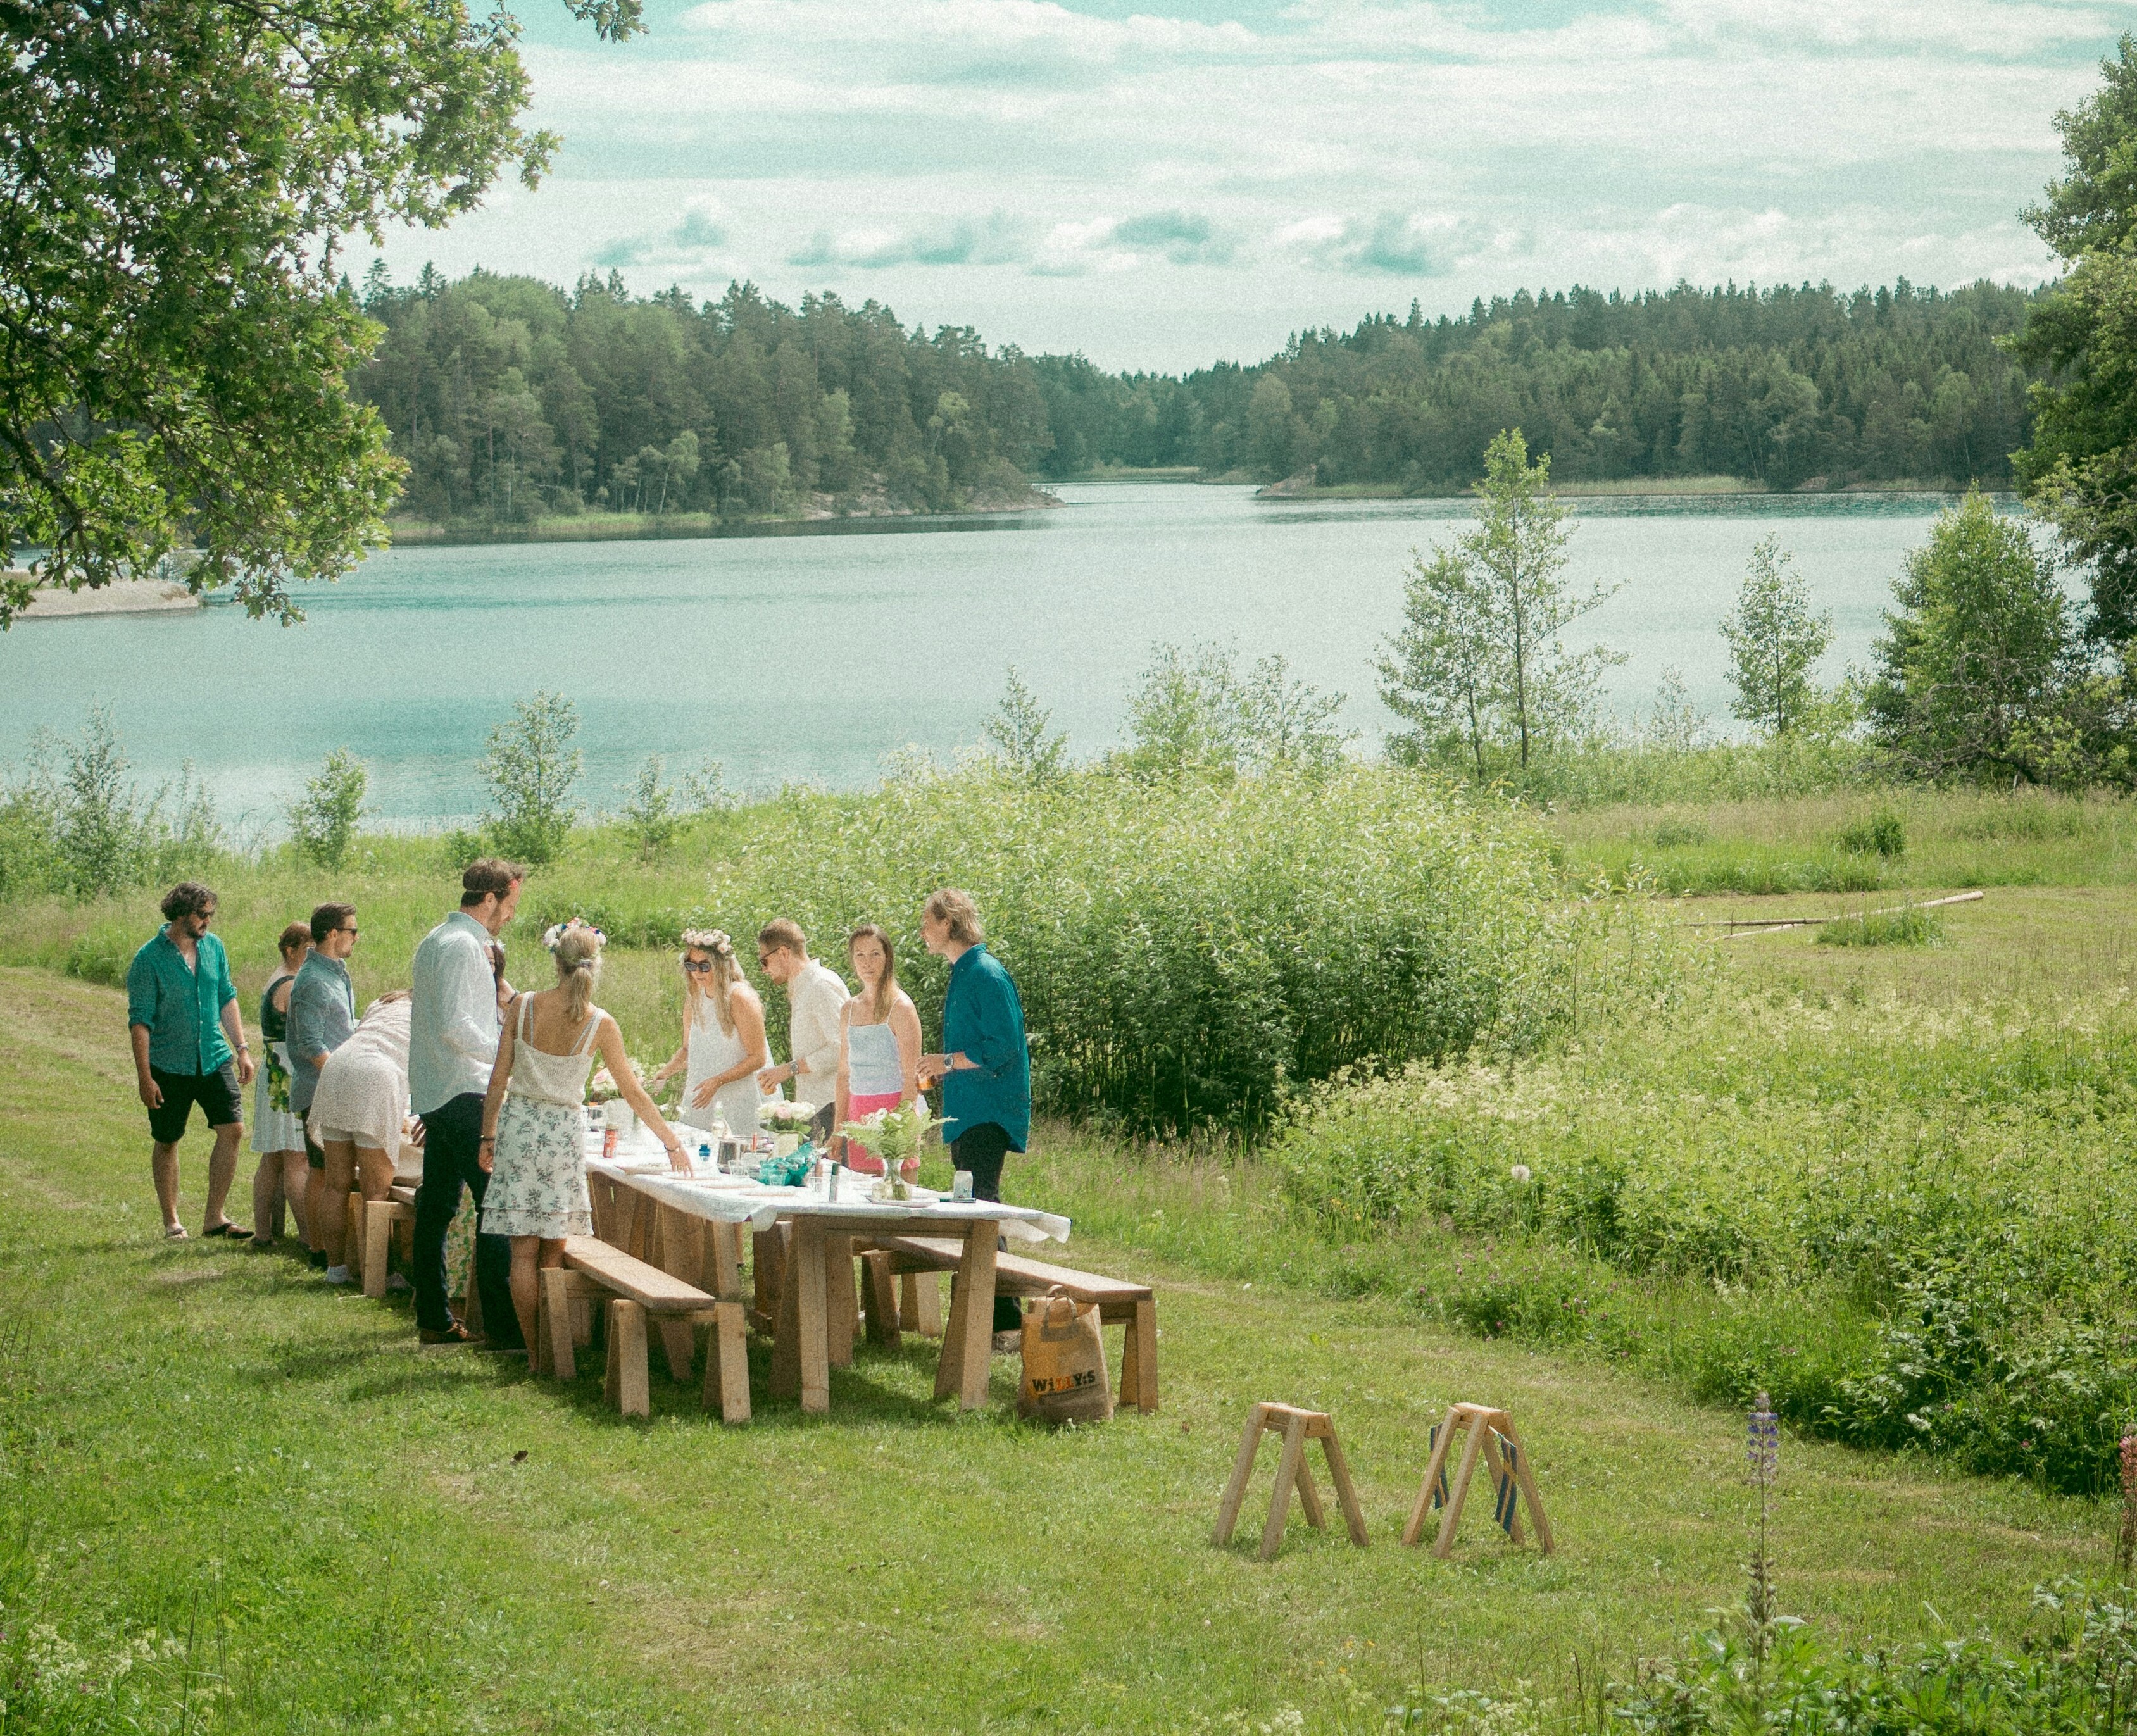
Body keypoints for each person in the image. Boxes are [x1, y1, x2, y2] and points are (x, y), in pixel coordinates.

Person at [483, 921, 687, 1359]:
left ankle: (534, 1351)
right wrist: (671, 1140)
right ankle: (553, 1353)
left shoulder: (523, 1006)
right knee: (552, 1252)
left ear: (555, 962)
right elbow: (633, 1091)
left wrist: (488, 1133)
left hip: (519, 1128)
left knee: (521, 1251)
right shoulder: (600, 1023)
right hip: (561, 1135)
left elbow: (499, 1077)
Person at [408, 858, 522, 1347]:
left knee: (436, 1206)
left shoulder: (439, 939)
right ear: (491, 898)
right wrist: (507, 1055)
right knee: (495, 1206)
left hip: (441, 1089)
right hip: (463, 1091)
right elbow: (456, 1025)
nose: (511, 916)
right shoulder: (459, 945)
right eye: (510, 905)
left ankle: (434, 1317)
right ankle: (503, 1328)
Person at [917, 888, 1029, 1341]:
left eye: (927, 922)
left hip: (990, 1111)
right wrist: (944, 1068)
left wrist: (946, 1061)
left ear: (949, 923)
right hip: (966, 1109)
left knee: (982, 1209)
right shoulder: (961, 973)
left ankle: (1001, 1324)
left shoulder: (986, 973)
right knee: (977, 1208)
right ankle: (991, 1319)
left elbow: (1003, 1049)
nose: (922, 932)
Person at [126, 881, 254, 1239]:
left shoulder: (214, 948)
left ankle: (215, 1217)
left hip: (213, 1056)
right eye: (203, 914)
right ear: (181, 913)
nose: (208, 922)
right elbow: (140, 1022)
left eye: (211, 914)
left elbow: (226, 996)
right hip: (168, 1063)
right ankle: (172, 1222)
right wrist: (145, 1076)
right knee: (168, 1139)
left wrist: (241, 1047)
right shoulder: (148, 959)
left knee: (233, 1129)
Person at [311, 992, 419, 1289]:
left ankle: (336, 1269)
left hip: (339, 1066)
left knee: (336, 1183)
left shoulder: (384, 1001)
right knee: (377, 1190)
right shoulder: (433, 1009)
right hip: (376, 1074)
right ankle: (381, 1275)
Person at [287, 902, 360, 1280]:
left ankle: (324, 1250)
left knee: (325, 1173)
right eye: (352, 931)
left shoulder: (336, 972)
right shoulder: (313, 980)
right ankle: (323, 1253)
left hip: (333, 1086)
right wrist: (342, 1080)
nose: (356, 938)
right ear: (332, 934)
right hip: (321, 1089)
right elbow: (311, 1044)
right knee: (326, 1175)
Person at [649, 928, 768, 1140]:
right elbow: (688, 1050)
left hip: (739, 1096)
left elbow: (758, 1057)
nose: (697, 972)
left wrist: (719, 1080)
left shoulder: (740, 997)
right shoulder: (694, 999)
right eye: (691, 965)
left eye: (704, 966)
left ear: (720, 964)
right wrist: (663, 1074)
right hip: (702, 1094)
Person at [833, 923, 923, 1177]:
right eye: (860, 955)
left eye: (875, 954)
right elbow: (844, 1074)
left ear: (887, 958)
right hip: (859, 1114)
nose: (867, 963)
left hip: (895, 1112)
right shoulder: (848, 1009)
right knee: (862, 1204)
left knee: (898, 1199)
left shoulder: (901, 1007)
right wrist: (838, 1130)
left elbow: (911, 1076)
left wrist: (900, 1127)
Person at [248, 922, 313, 1251]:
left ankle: (264, 1233)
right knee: (296, 1157)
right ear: (292, 950)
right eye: (308, 948)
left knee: (273, 1157)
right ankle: (308, 1235)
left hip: (274, 1070)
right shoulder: (289, 984)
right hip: (285, 1074)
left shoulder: (277, 977)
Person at [753, 920, 849, 1136]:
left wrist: (789, 1069)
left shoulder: (821, 985)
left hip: (833, 1103)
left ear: (784, 953)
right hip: (815, 1104)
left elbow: (842, 1048)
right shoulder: (802, 986)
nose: (763, 970)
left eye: (765, 961)